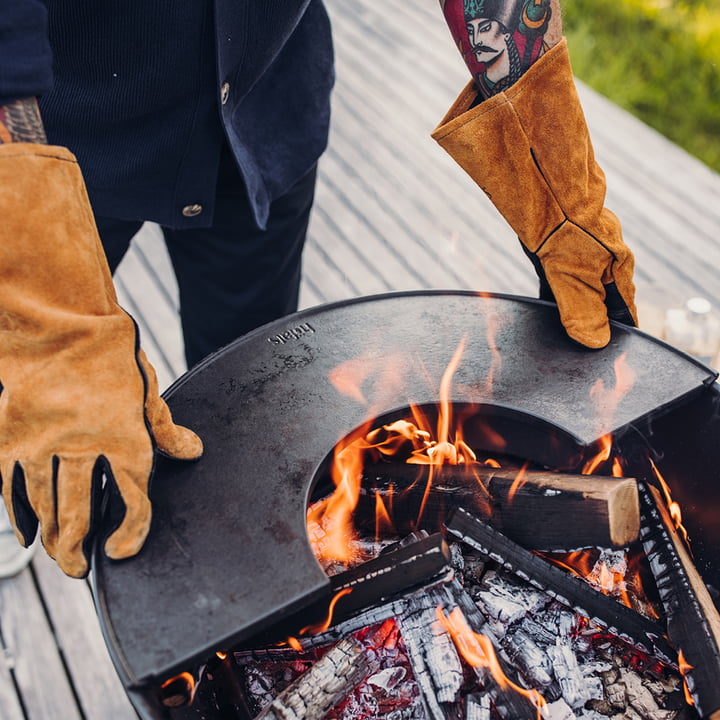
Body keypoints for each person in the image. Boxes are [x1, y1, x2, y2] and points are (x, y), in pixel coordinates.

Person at [0, 0, 636, 579]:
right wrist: (49, 336)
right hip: (48, 144)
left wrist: (560, 190)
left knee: (247, 386)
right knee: (26, 360)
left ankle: (240, 562)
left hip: (260, 120)